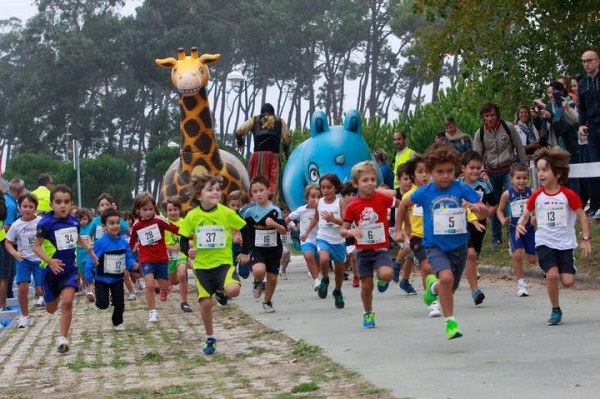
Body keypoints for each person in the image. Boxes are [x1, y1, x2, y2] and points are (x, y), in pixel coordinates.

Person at [395, 143, 489, 339]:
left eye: (449, 171)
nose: (445, 176)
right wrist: (400, 229)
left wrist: (475, 207)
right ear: (430, 172)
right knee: (446, 278)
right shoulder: (425, 191)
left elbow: (484, 210)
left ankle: (432, 288)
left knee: (449, 286)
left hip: (459, 246)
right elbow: (403, 204)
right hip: (435, 246)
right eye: (440, 172)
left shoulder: (461, 187)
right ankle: (450, 324)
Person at [516, 147, 590, 325]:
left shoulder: (568, 195)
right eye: (539, 170)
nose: (540, 174)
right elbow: (525, 214)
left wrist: (585, 239)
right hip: (544, 243)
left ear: (557, 173)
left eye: (545, 170)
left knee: (568, 282)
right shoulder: (537, 196)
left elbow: (582, 215)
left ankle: (564, 270)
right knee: (552, 276)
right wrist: (520, 223)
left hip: (565, 244)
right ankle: (555, 309)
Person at [178, 173, 246, 354]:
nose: (215, 192)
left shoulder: (226, 213)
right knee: (206, 304)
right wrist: (188, 252)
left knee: (234, 290)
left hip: (224, 263)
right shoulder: (192, 216)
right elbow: (183, 241)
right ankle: (210, 338)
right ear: (199, 195)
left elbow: (246, 228)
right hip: (202, 267)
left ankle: (221, 291)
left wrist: (245, 251)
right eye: (210, 189)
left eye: (218, 189)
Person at [33, 184, 98, 353]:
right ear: (51, 204)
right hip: (52, 272)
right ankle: (51, 299)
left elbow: (76, 238)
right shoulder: (46, 223)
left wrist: (90, 250)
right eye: (58, 202)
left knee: (68, 301)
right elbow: (36, 247)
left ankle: (62, 337)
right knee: (51, 308)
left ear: (71, 203)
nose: (63, 205)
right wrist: (50, 261)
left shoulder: (74, 221)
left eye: (66, 202)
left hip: (69, 269)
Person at [341, 161, 396, 328]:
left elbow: (400, 203)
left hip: (381, 249)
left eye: (373, 179)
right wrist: (352, 232)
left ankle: (383, 280)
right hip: (363, 251)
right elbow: (343, 230)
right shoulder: (353, 206)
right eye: (365, 180)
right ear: (356, 184)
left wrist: (403, 225)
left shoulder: (383, 198)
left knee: (387, 274)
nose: (370, 183)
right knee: (366, 287)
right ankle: (368, 314)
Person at [473, 102, 527, 249]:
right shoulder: (480, 133)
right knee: (495, 205)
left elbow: (519, 147)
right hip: (490, 173)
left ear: (497, 114)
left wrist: (524, 167)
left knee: (513, 201)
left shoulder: (508, 127)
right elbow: (478, 156)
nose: (490, 118)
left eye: (492, 115)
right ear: (483, 117)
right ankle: (496, 238)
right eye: (486, 116)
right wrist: (481, 172)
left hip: (509, 170)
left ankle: (515, 233)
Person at [398, 156, 440, 317]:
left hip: (437, 235)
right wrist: (401, 230)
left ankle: (432, 291)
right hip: (418, 236)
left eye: (427, 172)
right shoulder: (409, 196)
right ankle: (434, 303)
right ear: (413, 174)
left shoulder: (436, 191)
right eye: (420, 172)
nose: (424, 175)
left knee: (439, 269)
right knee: (426, 266)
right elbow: (402, 214)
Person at [129, 192, 180, 323]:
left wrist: (192, 236)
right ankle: (152, 312)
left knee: (165, 285)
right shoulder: (136, 225)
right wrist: (129, 257)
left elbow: (175, 229)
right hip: (146, 259)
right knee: (149, 284)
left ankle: (163, 289)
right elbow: (132, 242)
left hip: (162, 259)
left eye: (151, 209)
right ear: (138, 210)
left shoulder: (159, 220)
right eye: (145, 210)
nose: (148, 212)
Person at [238, 176, 287, 313]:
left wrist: (274, 224)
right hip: (257, 247)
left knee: (272, 277)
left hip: (274, 249)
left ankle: (267, 301)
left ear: (268, 191)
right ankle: (258, 282)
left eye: (261, 190)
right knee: (259, 270)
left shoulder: (275, 210)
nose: (258, 194)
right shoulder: (248, 210)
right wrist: (236, 234)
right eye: (255, 191)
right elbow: (234, 222)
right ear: (251, 194)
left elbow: (283, 230)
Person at [85, 209, 138, 330]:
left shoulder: (124, 243)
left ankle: (118, 322)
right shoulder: (101, 243)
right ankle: (103, 299)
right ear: (104, 226)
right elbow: (91, 259)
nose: (115, 226)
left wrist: (133, 265)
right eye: (111, 223)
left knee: (120, 302)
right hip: (102, 279)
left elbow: (128, 258)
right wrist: (88, 275)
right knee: (102, 305)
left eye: (117, 223)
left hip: (117, 278)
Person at [302, 174, 347, 309]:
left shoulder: (341, 202)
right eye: (323, 187)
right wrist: (306, 232)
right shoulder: (319, 202)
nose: (326, 190)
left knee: (339, 272)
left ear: (336, 188)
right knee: (323, 260)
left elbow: (346, 222)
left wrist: (333, 220)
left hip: (338, 240)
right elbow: (315, 219)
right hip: (323, 237)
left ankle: (337, 291)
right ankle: (325, 279)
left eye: (329, 187)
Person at [459, 151, 497, 306]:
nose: (475, 171)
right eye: (471, 168)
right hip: (462, 224)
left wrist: (485, 214)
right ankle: (475, 290)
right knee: (471, 254)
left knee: (474, 256)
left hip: (479, 225)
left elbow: (494, 205)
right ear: (463, 168)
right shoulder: (457, 185)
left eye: (478, 168)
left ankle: (469, 273)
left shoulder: (484, 185)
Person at [496, 163, 537, 297]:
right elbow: (499, 210)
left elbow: (539, 208)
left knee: (532, 260)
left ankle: (516, 251)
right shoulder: (507, 194)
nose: (521, 181)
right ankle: (521, 284)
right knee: (518, 255)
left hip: (529, 229)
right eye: (518, 178)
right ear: (512, 179)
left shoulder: (532, 192)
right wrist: (503, 220)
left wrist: (535, 217)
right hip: (514, 228)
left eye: (524, 178)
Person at [5, 193, 43, 328]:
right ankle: (25, 316)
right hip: (23, 260)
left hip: (40, 260)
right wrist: (14, 253)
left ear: (35, 208)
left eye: (31, 206)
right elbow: (8, 242)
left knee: (40, 289)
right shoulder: (16, 225)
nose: (27, 209)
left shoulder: (40, 222)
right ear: (19, 208)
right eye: (24, 206)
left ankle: (47, 299)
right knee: (23, 287)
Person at [236, 103, 291, 195]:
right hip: (274, 156)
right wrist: (286, 152)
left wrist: (240, 142)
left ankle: (256, 203)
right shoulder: (280, 121)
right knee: (274, 184)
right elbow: (286, 139)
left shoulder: (254, 119)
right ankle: (272, 205)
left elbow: (238, 132)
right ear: (273, 113)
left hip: (259, 156)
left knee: (257, 182)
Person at [577, 50, 600, 217]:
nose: (586, 64)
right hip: (592, 128)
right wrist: (580, 125)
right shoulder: (582, 84)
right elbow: (581, 108)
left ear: (597, 61)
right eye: (584, 61)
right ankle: (596, 204)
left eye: (589, 60)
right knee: (594, 167)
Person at [287, 184, 321, 291]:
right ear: (306, 198)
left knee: (318, 260)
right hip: (306, 239)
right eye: (313, 197)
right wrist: (282, 227)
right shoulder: (302, 210)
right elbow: (289, 217)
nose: (316, 200)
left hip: (321, 239)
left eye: (319, 197)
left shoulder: (322, 209)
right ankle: (316, 280)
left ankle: (315, 273)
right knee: (308, 256)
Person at [164, 197, 192, 312]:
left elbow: (191, 238)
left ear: (180, 210)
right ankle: (164, 288)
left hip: (181, 254)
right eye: (170, 210)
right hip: (169, 256)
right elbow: (159, 242)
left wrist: (188, 245)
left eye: (175, 209)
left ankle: (184, 302)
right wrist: (171, 247)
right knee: (173, 281)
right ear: (166, 212)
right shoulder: (163, 223)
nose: (173, 212)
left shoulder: (184, 223)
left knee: (182, 275)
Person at [3, 178, 25, 303]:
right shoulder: (11, 205)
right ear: (20, 190)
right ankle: (7, 297)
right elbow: (7, 227)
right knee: (9, 272)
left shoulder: (6, 200)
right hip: (5, 243)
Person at [74, 208, 94, 300]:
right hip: (80, 254)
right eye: (80, 219)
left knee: (89, 270)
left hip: (89, 253)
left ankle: (91, 290)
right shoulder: (75, 228)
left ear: (88, 218)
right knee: (82, 273)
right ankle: (86, 288)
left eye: (84, 219)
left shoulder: (91, 226)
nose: (82, 222)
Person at [279, 204, 292, 279]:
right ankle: (279, 266)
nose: (285, 214)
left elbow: (296, 229)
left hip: (288, 242)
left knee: (287, 261)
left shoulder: (290, 222)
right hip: (280, 241)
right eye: (283, 213)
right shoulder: (279, 221)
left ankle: (283, 271)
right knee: (285, 252)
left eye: (286, 212)